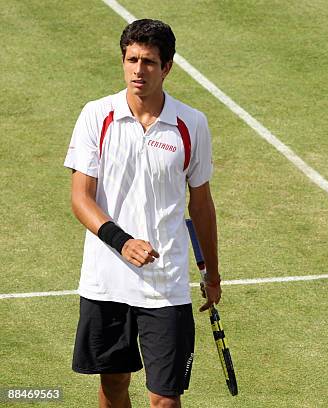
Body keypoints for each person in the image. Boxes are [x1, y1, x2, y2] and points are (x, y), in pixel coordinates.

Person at [64, 19, 221, 408]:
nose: (138, 70)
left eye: (149, 61)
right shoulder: (95, 116)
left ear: (167, 67)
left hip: (165, 285)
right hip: (106, 281)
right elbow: (81, 198)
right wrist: (123, 242)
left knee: (164, 400)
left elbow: (200, 204)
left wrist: (212, 273)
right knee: (113, 385)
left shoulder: (191, 124)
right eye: (131, 59)